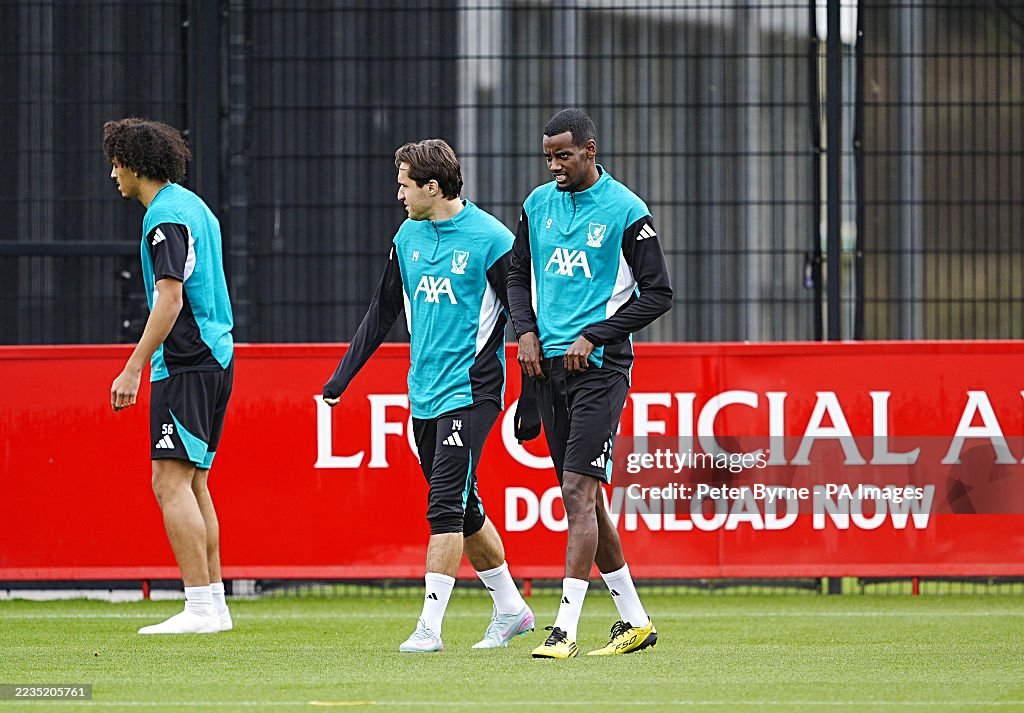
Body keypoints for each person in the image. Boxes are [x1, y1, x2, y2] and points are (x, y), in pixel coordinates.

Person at [322, 139, 534, 652]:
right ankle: (511, 609)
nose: (398, 195)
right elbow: (382, 311)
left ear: (432, 187)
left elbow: (525, 321)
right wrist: (340, 378)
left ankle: (429, 629)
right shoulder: (408, 235)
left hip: (472, 393)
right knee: (464, 508)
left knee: (442, 506)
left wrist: (531, 397)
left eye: (404, 185)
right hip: (424, 395)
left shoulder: (492, 240)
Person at [508, 108, 673, 658]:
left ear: (590, 150)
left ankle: (564, 630)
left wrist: (596, 335)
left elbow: (658, 293)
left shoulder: (628, 210)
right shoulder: (536, 205)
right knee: (586, 501)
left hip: (600, 370)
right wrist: (525, 331)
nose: (554, 165)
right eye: (548, 155)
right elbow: (516, 274)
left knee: (578, 495)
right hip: (546, 368)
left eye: (564, 154)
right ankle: (635, 621)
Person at [105, 118, 235, 635]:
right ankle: (215, 605)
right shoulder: (193, 205)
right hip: (214, 358)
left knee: (169, 481)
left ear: (135, 166)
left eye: (116, 164)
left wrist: (132, 367)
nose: (113, 174)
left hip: (186, 362)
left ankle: (199, 608)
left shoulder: (164, 218)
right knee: (194, 482)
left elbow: (171, 296)